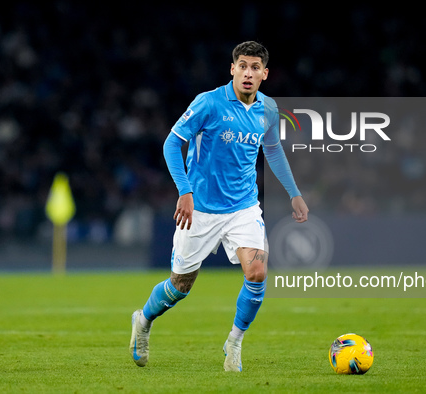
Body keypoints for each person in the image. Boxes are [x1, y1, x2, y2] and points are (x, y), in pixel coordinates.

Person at [129, 41, 309, 372]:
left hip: (243, 208)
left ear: (264, 74)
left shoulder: (268, 109)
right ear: (232, 69)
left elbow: (273, 150)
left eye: (255, 68)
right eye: (242, 65)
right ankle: (143, 320)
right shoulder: (208, 103)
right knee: (180, 286)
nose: (248, 73)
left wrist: (293, 192)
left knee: (257, 271)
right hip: (200, 210)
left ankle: (234, 342)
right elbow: (172, 143)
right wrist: (185, 191)